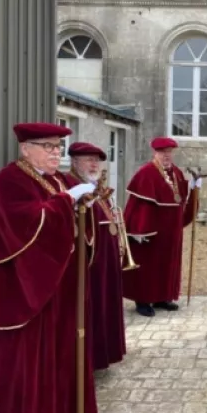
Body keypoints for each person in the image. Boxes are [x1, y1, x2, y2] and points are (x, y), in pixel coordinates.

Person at [0, 123, 98, 413]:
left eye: (58, 147)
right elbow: (24, 222)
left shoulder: (55, 179)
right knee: (25, 356)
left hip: (57, 282)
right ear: (25, 148)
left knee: (55, 352)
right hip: (25, 286)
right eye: (47, 146)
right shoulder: (10, 180)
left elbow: (69, 219)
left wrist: (81, 206)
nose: (56, 153)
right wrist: (65, 203)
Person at [122, 137, 199, 317]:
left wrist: (195, 187)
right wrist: (139, 230)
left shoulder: (177, 173)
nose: (167, 156)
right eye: (163, 152)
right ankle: (142, 300)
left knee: (167, 263)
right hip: (152, 229)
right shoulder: (146, 173)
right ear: (154, 153)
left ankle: (161, 297)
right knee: (149, 264)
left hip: (171, 229)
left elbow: (182, 199)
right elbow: (137, 206)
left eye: (169, 152)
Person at [67, 142, 127, 370]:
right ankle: (94, 356)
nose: (94, 164)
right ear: (74, 161)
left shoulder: (93, 185)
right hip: (92, 261)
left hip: (107, 258)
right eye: (88, 160)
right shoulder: (72, 184)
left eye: (97, 160)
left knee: (107, 303)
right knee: (95, 307)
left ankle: (107, 351)